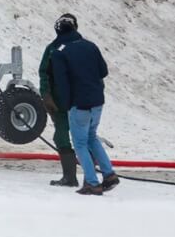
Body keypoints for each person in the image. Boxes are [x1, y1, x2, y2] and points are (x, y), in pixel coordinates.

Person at [49, 14, 118, 196]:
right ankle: (109, 174)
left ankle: (92, 183)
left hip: (79, 105)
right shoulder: (91, 46)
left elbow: (61, 84)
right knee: (91, 137)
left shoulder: (59, 53)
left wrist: (65, 105)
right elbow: (103, 71)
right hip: (97, 102)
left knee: (79, 143)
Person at [38, 14, 78, 187]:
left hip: (73, 101)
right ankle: (72, 177)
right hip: (64, 102)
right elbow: (44, 73)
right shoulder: (53, 48)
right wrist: (46, 95)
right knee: (65, 137)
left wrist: (47, 95)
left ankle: (83, 176)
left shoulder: (57, 48)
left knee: (80, 138)